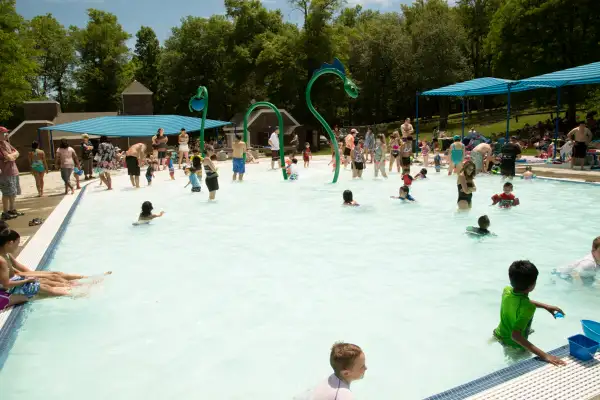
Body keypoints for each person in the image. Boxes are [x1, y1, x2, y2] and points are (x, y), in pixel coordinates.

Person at [494, 260, 566, 366]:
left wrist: (545, 306)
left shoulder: (506, 290)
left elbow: (519, 301)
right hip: (513, 345)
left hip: (498, 334)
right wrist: (545, 356)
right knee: (523, 362)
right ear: (532, 286)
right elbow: (515, 336)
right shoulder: (528, 308)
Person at [0, 229, 72, 297]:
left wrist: (30, 276)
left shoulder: (5, 254)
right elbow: (6, 284)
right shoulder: (2, 261)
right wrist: (26, 280)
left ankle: (73, 287)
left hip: (14, 281)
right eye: (17, 243)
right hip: (9, 289)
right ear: (10, 243)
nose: (18, 246)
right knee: (47, 288)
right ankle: (77, 294)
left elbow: (14, 269)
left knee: (46, 282)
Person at [0, 127, 23, 221]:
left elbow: (17, 153)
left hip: (14, 171)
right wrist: (12, 156)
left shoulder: (6, 143)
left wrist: (12, 156)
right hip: (5, 172)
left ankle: (12, 209)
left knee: (13, 192)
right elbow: (8, 157)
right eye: (4, 133)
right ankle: (5, 212)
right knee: (6, 192)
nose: (6, 135)